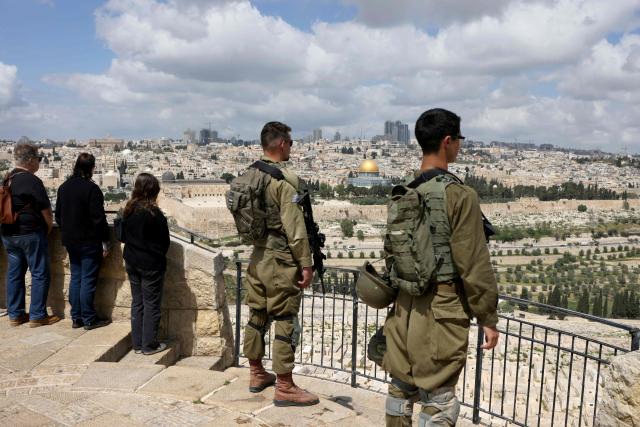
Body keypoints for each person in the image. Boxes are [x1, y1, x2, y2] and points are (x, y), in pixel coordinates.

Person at [382, 109, 500, 426]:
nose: (460, 145)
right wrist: (487, 317)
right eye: (459, 139)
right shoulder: (459, 195)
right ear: (447, 141)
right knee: (439, 402)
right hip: (442, 311)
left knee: (400, 390)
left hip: (404, 308)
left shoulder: (404, 191)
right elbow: (473, 262)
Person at [241, 121, 319, 406]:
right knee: (285, 319)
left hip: (257, 256)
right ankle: (285, 386)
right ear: (282, 144)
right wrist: (306, 264)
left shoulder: (250, 175)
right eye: (291, 143)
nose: (291, 148)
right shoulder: (284, 182)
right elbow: (295, 229)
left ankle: (256, 373)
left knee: (257, 314)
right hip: (281, 260)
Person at [1, 143, 59, 327]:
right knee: (40, 273)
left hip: (8, 233)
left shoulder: (7, 178)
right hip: (30, 232)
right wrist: (48, 228)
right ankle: (37, 315)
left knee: (14, 273)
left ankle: (15, 315)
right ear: (30, 160)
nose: (40, 163)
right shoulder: (32, 181)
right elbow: (46, 212)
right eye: (39, 159)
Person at [55, 153, 111, 330]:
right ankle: (89, 318)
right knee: (87, 279)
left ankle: (76, 317)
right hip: (89, 241)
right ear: (91, 168)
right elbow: (98, 218)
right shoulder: (91, 189)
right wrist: (105, 241)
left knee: (76, 277)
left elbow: (58, 216)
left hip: (71, 241)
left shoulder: (63, 188)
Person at [122, 173, 170, 355]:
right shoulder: (154, 214)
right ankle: (149, 345)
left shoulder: (129, 209)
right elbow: (164, 242)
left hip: (132, 261)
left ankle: (137, 344)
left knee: (137, 303)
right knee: (151, 305)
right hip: (150, 265)